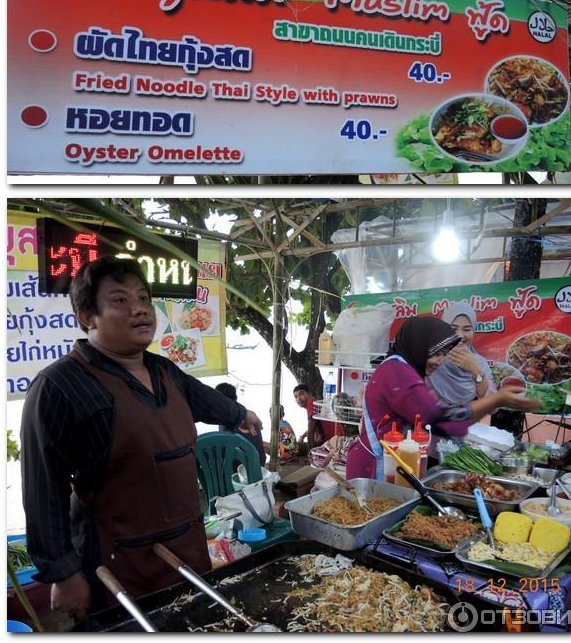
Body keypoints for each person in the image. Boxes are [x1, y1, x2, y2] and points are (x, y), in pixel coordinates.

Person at [20, 256, 263, 619]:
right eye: (120, 300)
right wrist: (63, 572)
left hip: (187, 552)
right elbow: (43, 490)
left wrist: (241, 414)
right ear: (88, 317)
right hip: (116, 566)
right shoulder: (59, 386)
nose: (139, 310)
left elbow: (204, 399)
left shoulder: (164, 370)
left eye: (144, 298)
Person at [346, 316, 540, 480]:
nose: (440, 361)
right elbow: (438, 418)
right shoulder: (398, 371)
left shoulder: (403, 368)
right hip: (373, 468)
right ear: (419, 345)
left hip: (387, 462)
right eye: (436, 354)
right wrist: (497, 399)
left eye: (444, 354)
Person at [428, 301, 497, 404]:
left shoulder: (479, 363)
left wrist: (475, 370)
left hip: (470, 419)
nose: (460, 335)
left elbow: (493, 407)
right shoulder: (431, 362)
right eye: (453, 328)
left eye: (467, 329)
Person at [216, 382, 267, 467]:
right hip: (260, 462)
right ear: (235, 396)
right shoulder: (249, 414)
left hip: (241, 470)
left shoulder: (225, 420)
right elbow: (261, 426)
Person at [294, 383, 344, 451]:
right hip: (337, 438)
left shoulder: (311, 404)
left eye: (301, 394)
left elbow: (310, 432)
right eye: (296, 396)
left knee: (296, 448)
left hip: (333, 443)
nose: (299, 398)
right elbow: (312, 427)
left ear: (309, 394)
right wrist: (303, 436)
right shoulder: (314, 402)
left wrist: (310, 455)